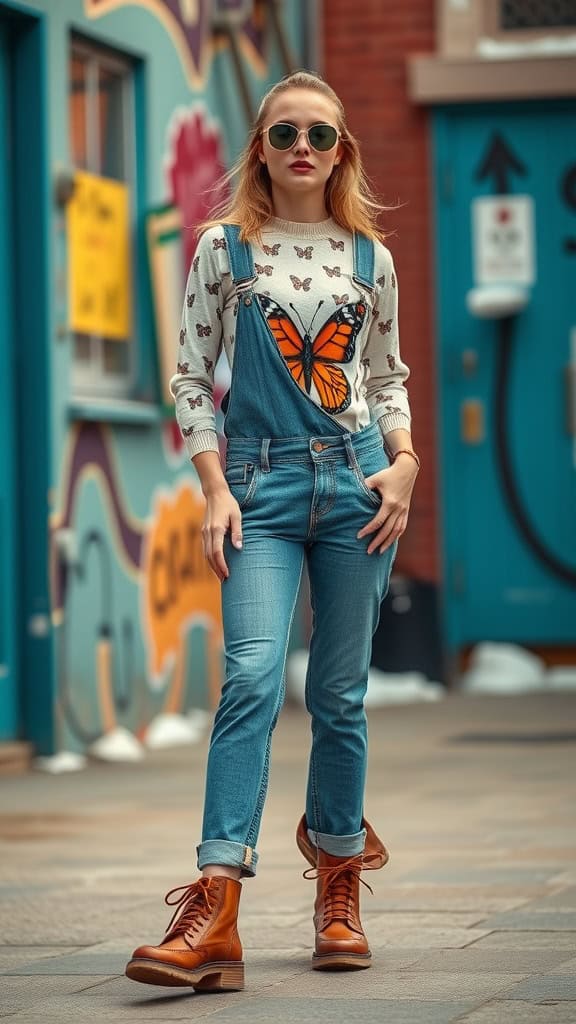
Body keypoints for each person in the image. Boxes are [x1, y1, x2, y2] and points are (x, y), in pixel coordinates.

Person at [126, 70, 418, 992]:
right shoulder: (224, 248)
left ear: (342, 153)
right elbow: (189, 378)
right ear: (261, 146)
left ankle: (339, 883)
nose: (303, 147)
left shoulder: (370, 259)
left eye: (321, 136)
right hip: (257, 486)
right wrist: (215, 490)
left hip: (360, 487)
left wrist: (404, 465)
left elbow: (387, 378)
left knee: (339, 695)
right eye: (285, 132)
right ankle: (216, 907)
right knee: (251, 674)